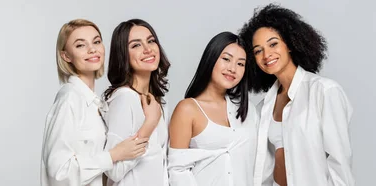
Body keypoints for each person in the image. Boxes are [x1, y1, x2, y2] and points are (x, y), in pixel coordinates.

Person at [239, 4, 355, 186]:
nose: (266, 54)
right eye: (258, 50)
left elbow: (340, 164)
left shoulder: (324, 92)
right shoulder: (264, 107)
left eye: (273, 44)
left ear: (290, 44)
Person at [40, 19, 148, 186]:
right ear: (66, 56)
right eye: (80, 45)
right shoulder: (70, 99)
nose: (92, 49)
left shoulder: (96, 103)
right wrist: (113, 155)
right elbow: (58, 173)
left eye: (97, 41)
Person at [167, 32, 259, 186]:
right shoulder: (188, 109)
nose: (232, 68)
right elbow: (177, 171)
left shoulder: (249, 111)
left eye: (240, 64)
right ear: (211, 58)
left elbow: (258, 163)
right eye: (226, 59)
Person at [102, 19, 171, 186]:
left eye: (151, 41)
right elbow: (113, 170)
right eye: (136, 45)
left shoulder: (158, 101)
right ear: (123, 54)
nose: (148, 49)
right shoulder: (124, 98)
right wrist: (149, 124)